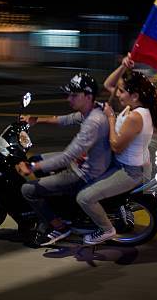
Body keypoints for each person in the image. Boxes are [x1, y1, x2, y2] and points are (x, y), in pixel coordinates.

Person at [17, 73, 110, 246]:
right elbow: (65, 120)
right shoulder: (91, 110)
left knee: (27, 190)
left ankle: (59, 227)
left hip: (83, 173)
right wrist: (36, 120)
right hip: (83, 162)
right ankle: (59, 207)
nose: (69, 99)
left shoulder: (93, 122)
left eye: (74, 95)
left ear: (88, 96)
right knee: (39, 159)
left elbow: (67, 156)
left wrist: (32, 167)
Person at [76, 53, 157, 245]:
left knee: (84, 197)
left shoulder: (136, 117)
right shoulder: (134, 106)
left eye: (122, 91)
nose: (118, 94)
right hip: (123, 163)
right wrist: (123, 67)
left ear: (135, 95)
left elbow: (116, 146)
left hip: (129, 171)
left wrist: (111, 117)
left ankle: (106, 230)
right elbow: (108, 84)